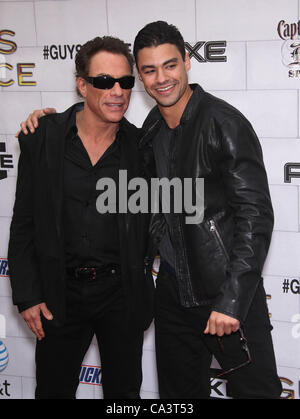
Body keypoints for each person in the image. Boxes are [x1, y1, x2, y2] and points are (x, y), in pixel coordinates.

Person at [18, 21, 282, 399]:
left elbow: (255, 218)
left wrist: (232, 300)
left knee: (256, 393)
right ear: (141, 76)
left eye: (170, 65)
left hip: (222, 293)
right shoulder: (150, 129)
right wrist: (43, 122)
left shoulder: (223, 123)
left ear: (187, 61)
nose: (161, 78)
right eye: (149, 70)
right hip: (172, 294)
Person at [8, 36, 153, 399]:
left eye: (125, 82)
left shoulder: (141, 149)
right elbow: (24, 220)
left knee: (125, 396)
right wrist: (27, 295)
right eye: (104, 81)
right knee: (53, 391)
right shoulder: (43, 137)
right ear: (82, 85)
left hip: (121, 294)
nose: (117, 91)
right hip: (60, 295)